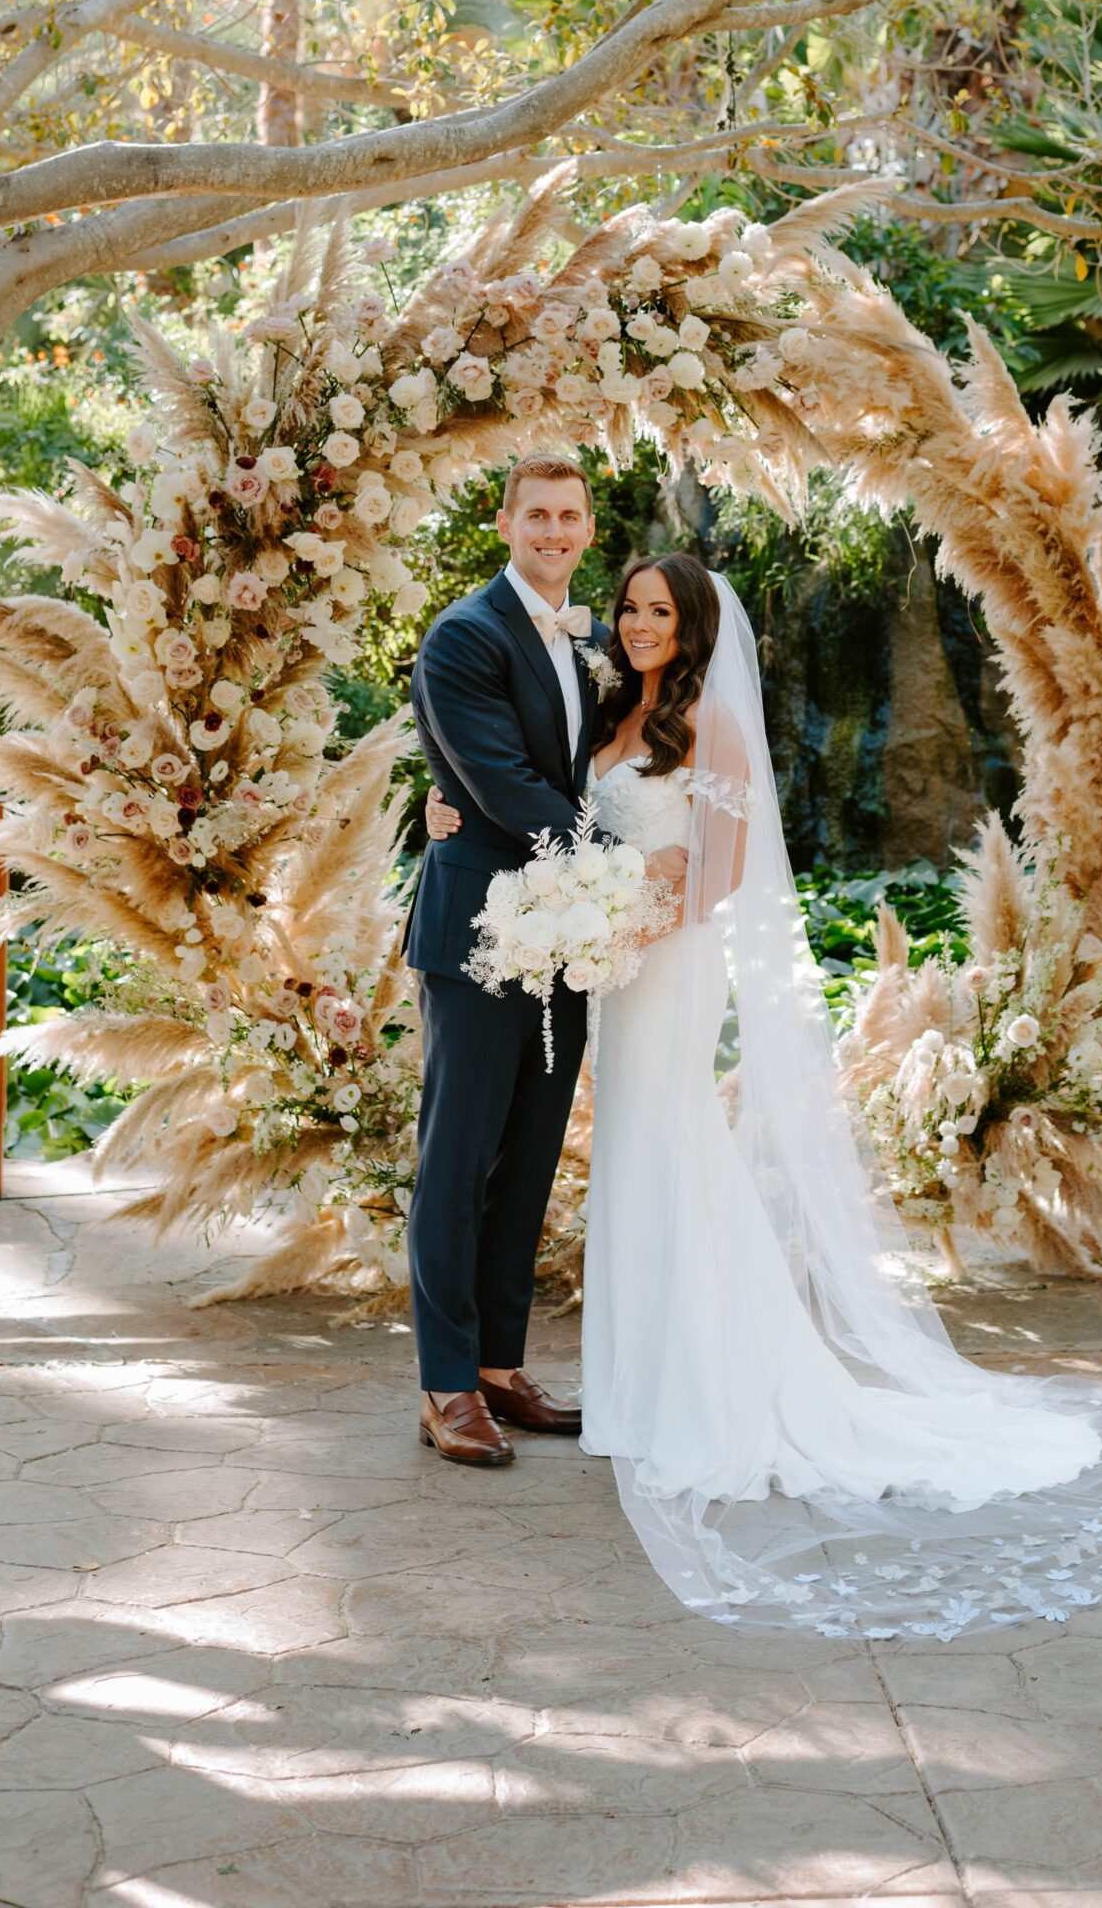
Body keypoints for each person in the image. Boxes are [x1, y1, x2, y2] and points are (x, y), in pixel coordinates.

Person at [424, 552, 1102, 1633]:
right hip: (616, 971)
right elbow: (535, 795)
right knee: (637, 1158)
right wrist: (451, 811)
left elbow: (719, 873)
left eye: (658, 610)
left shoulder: (717, 726)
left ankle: (701, 1387)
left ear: (695, 624)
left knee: (671, 1147)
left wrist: (622, 918)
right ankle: (637, 1383)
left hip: (666, 964)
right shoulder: (609, 709)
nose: (637, 622)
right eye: (628, 608)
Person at [403, 454, 683, 1469]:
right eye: (536, 516)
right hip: (481, 938)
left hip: (564, 937)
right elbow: (506, 785)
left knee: (524, 1160)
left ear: (587, 526)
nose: (553, 532)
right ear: (503, 520)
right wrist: (624, 875)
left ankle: (496, 1365)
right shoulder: (462, 635)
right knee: (456, 1160)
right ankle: (444, 1386)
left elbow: (584, 768)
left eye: (569, 516)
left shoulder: (587, 645)